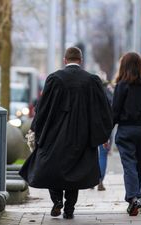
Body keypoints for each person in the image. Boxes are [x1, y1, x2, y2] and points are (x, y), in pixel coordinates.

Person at [19, 47, 113, 219]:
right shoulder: (91, 81)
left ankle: (57, 201)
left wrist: (36, 128)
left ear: (64, 60)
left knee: (51, 168)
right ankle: (69, 208)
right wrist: (102, 135)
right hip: (81, 136)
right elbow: (103, 110)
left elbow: (43, 108)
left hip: (55, 135)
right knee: (75, 172)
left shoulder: (55, 79)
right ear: (81, 60)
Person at [112, 52, 141, 216]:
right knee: (138, 165)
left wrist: (107, 132)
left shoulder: (122, 86)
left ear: (123, 66)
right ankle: (134, 198)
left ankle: (132, 198)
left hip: (126, 130)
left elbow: (115, 111)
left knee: (129, 164)